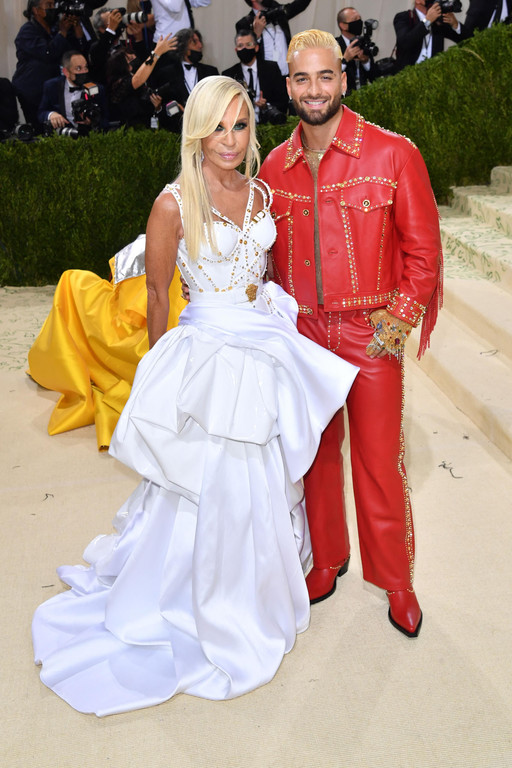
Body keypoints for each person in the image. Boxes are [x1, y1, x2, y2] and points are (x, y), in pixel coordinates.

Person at [31, 75, 357, 716]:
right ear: (197, 134)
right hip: (204, 352)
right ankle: (199, 601)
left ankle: (254, 590)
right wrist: (159, 375)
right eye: (217, 128)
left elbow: (263, 272)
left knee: (261, 476)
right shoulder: (173, 204)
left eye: (240, 125)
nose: (230, 140)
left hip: (259, 346)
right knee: (209, 481)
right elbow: (157, 296)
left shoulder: (261, 192)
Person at [259, 29, 443, 638]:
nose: (314, 89)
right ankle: (326, 560)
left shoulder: (393, 154)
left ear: (343, 78)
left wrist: (398, 319)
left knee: (379, 462)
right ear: (289, 87)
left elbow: (424, 253)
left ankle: (396, 582)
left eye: (325, 76)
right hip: (304, 337)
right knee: (312, 458)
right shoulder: (273, 168)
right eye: (302, 78)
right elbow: (265, 262)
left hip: (370, 335)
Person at [27, 236, 186, 451]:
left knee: (71, 282)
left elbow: (144, 279)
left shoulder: (172, 222)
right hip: (193, 307)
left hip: (166, 314)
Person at [12, 0, 88, 129]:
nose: (53, 8)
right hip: (32, 90)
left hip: (54, 88)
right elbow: (48, 53)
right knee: (40, 128)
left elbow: (75, 54)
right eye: (49, 5)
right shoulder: (27, 31)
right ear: (36, 10)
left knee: (60, 126)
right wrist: (62, 32)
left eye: (53, 4)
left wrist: (76, 28)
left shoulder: (55, 29)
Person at [106, 33, 176, 128]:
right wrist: (157, 52)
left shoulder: (143, 79)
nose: (135, 60)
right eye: (130, 59)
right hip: (131, 130)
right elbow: (138, 80)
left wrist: (157, 107)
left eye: (134, 56)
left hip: (148, 126)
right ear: (123, 66)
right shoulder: (120, 84)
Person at [222, 29, 288, 122]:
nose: (244, 48)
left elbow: (283, 100)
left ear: (256, 47)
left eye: (248, 44)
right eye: (240, 46)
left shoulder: (271, 69)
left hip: (268, 124)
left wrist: (266, 106)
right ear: (236, 50)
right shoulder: (229, 75)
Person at [38, 50, 110, 133]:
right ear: (66, 72)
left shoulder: (97, 89)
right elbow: (41, 113)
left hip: (89, 136)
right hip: (63, 136)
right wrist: (51, 115)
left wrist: (93, 122)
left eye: (86, 67)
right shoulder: (52, 86)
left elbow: (106, 119)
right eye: (78, 68)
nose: (84, 72)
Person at [236, 0, 312, 76]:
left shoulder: (278, 12)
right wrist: (256, 35)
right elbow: (245, 56)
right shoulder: (244, 24)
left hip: (287, 76)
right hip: (265, 79)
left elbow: (300, 5)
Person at [393, 1, 464, 71]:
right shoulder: (404, 17)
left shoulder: (438, 20)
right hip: (408, 73)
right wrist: (427, 21)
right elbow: (404, 42)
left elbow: (464, 40)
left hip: (433, 73)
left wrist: (456, 24)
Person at [335, 6, 379, 95]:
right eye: (355, 19)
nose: (359, 22)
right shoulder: (333, 46)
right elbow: (330, 77)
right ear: (343, 25)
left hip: (364, 96)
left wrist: (366, 62)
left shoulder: (363, 43)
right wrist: (345, 60)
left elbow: (374, 78)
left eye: (360, 19)